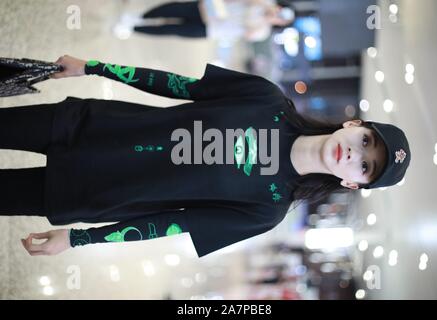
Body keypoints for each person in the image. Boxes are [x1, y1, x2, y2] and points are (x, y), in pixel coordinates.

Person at [0, 55, 411, 257]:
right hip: (85, 125)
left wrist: (78, 238)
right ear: (355, 126)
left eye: (365, 166)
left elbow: (173, 222)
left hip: (89, 192)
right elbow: (180, 86)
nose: (355, 154)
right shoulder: (267, 98)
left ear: (353, 182)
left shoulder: (265, 212)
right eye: (366, 142)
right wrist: (93, 67)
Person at [114, 0, 296, 42]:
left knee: (170, 29)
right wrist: (266, 7)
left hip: (210, 29)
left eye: (282, 20)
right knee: (171, 9)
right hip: (207, 9)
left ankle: (133, 28)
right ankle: (138, 18)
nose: (278, 16)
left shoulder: (263, 31)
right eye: (282, 13)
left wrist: (266, 19)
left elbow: (249, 33)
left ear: (280, 24)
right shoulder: (264, 2)